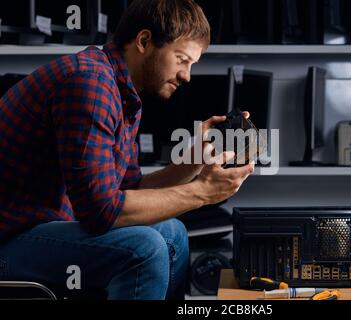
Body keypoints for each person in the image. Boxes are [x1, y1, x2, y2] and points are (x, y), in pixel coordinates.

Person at [0, 0, 254, 300]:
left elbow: (130, 188)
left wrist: (194, 161)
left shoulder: (121, 91)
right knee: (145, 248)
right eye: (182, 59)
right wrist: (201, 193)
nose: (187, 76)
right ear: (144, 41)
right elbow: (102, 212)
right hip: (11, 240)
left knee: (172, 232)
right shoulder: (90, 84)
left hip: (44, 227)